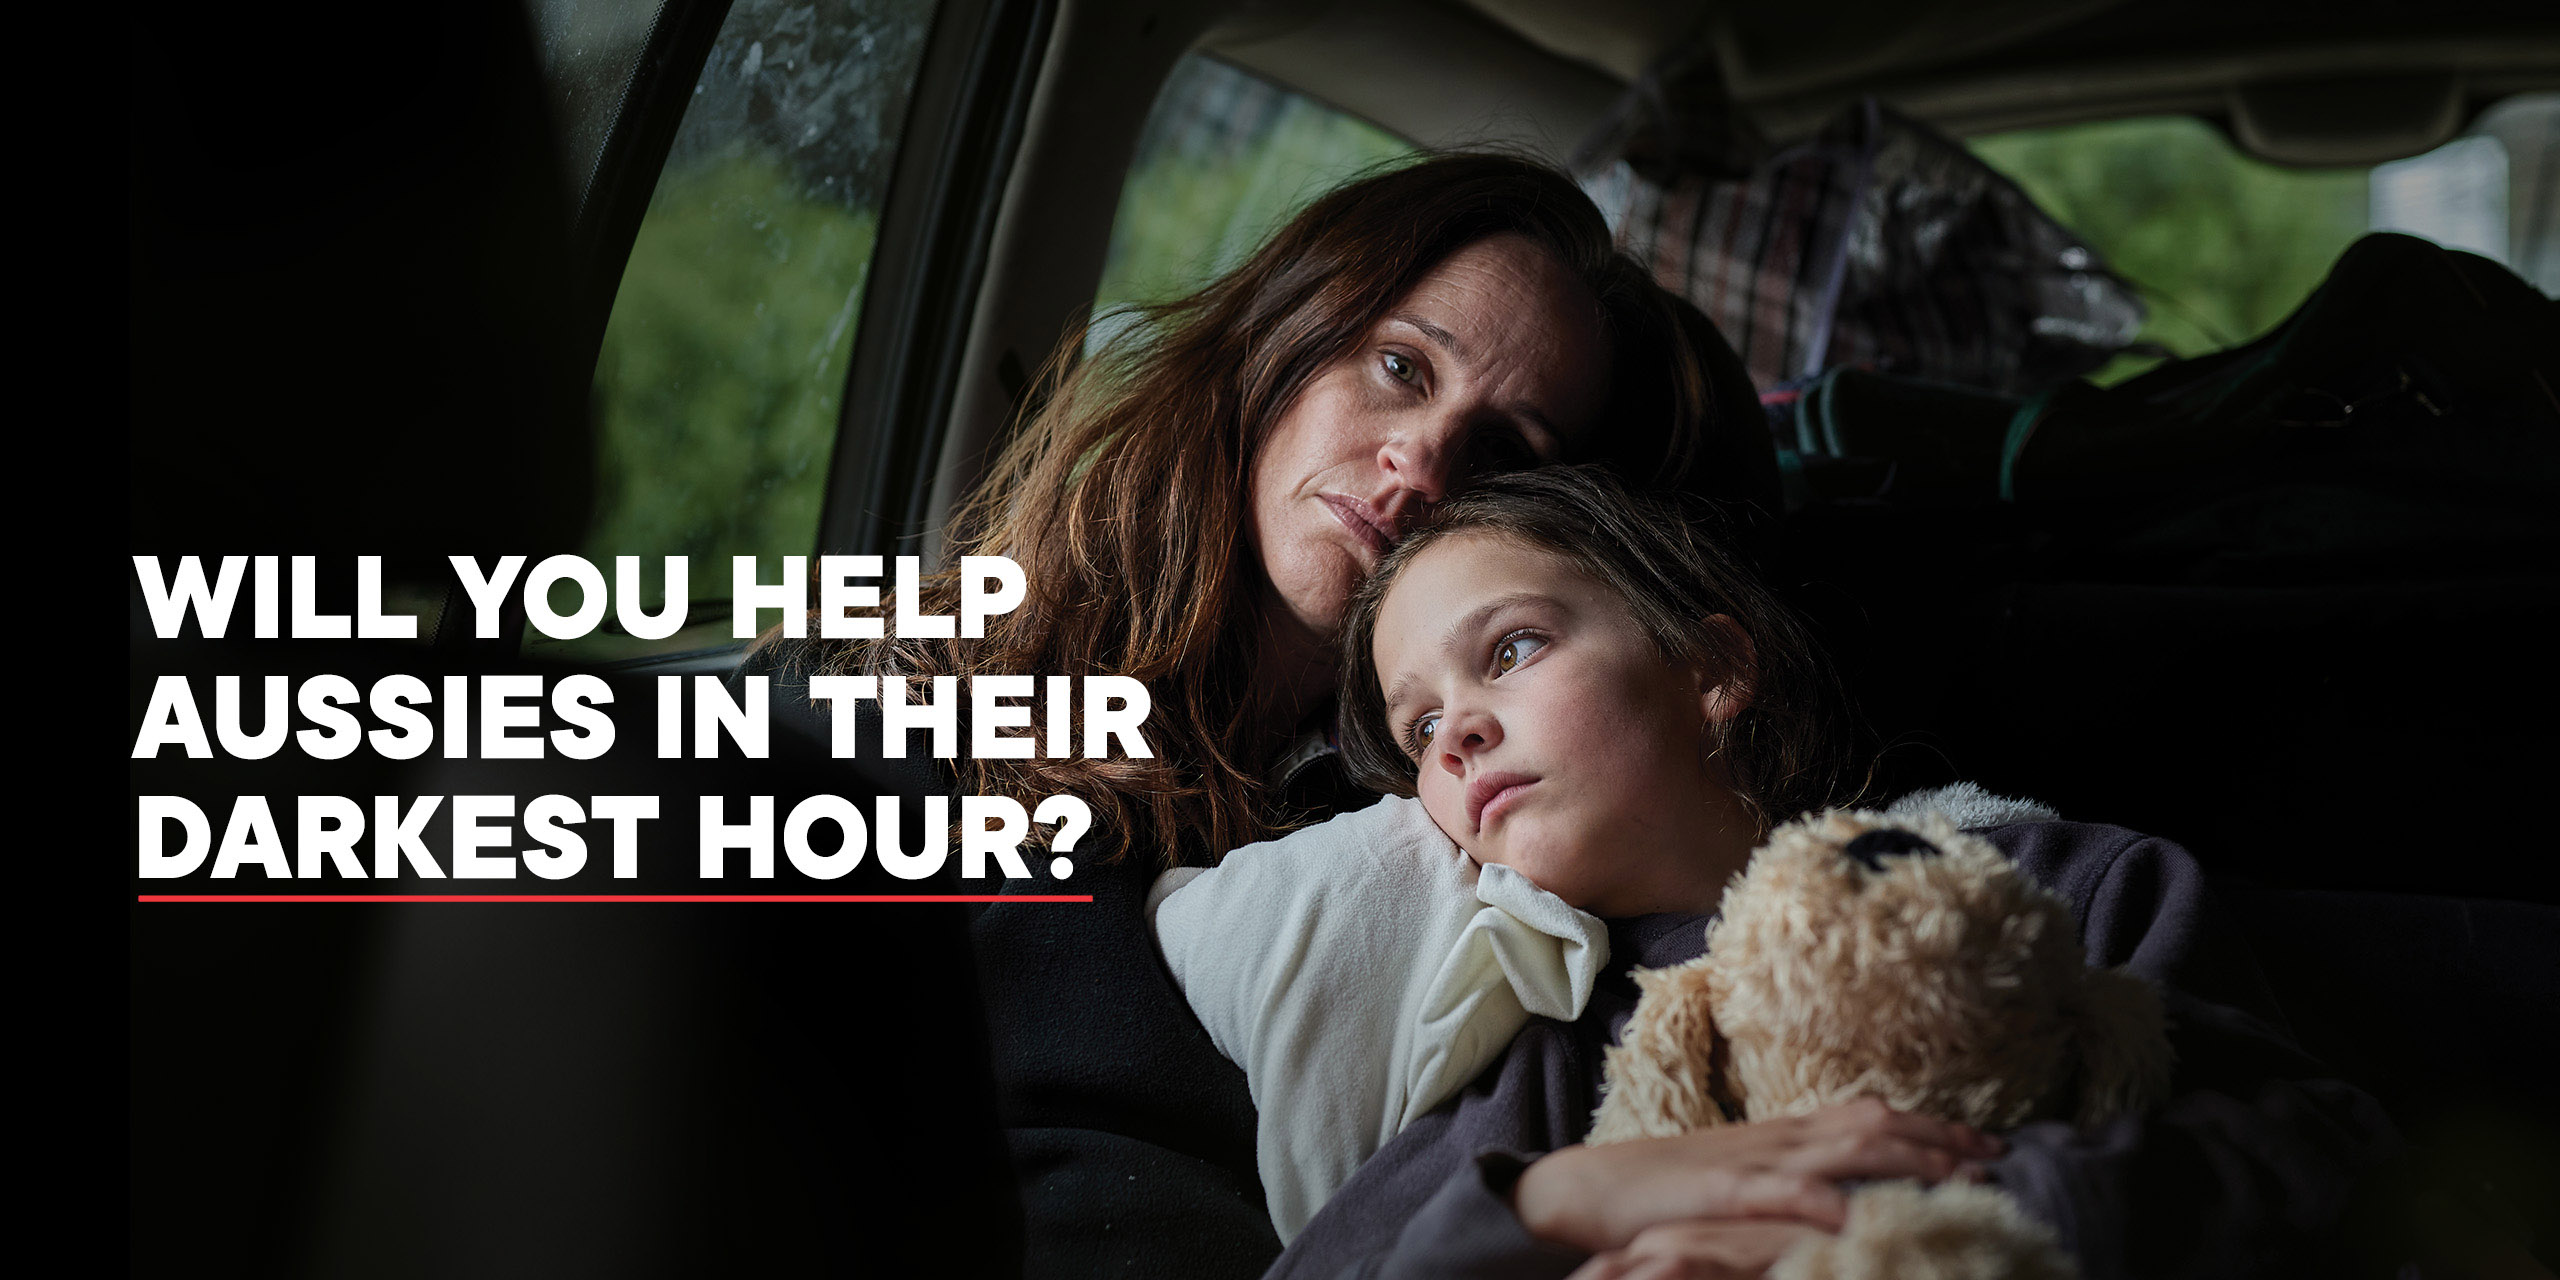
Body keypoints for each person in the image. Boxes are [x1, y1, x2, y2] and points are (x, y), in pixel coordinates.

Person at [749, 154, 1777, 1277]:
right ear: (1287, 331)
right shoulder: (891, 701)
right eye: (1400, 366)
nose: (1421, 459)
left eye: (1500, 452)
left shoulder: (1476, 831)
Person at [1191, 466, 2397, 1279]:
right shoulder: (1555, 1041)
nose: (1454, 732)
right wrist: (1556, 1202)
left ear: (1711, 668)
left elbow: (2310, 1142)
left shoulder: (2029, 885)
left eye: (1511, 648)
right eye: (1418, 731)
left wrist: (1868, 1229)